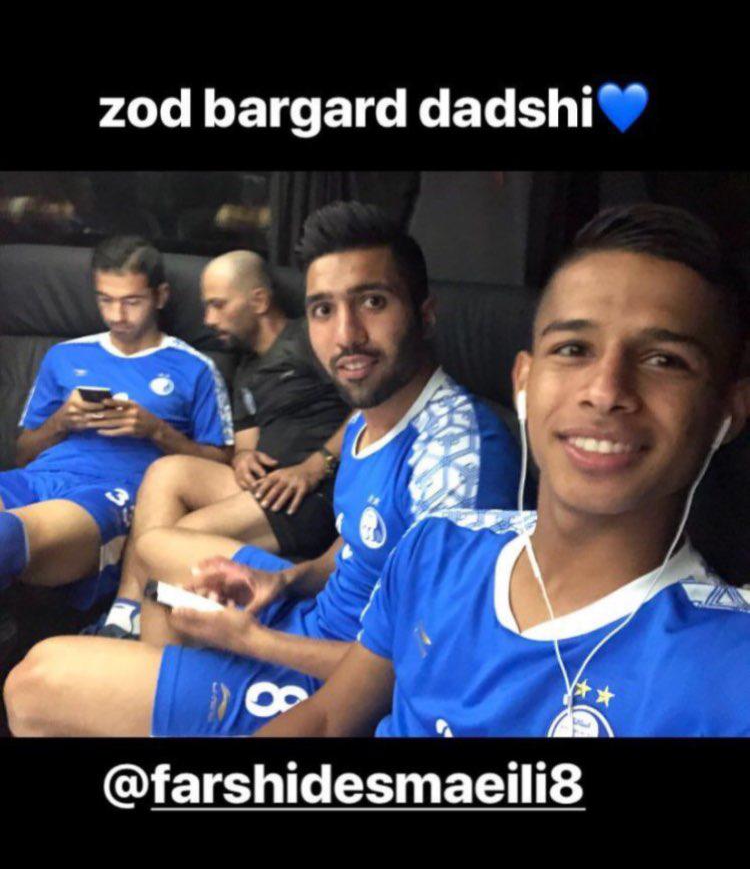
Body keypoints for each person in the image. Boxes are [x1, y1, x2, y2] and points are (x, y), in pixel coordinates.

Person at [4, 201, 521, 736]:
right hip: (316, 618)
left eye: (373, 301)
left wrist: (253, 642)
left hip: (337, 684)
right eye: (323, 309)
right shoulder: (368, 423)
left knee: (32, 683)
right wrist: (284, 579)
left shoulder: (454, 458)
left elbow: (419, 668)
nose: (346, 334)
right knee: (161, 567)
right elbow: (357, 547)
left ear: (425, 314)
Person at [252, 204, 750, 738]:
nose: (605, 391)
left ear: (730, 410)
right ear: (524, 382)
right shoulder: (436, 547)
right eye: (573, 349)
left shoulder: (727, 672)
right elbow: (328, 718)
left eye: (664, 360)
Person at [94, 249, 349, 638]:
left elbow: (368, 408)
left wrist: (315, 465)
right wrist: (243, 458)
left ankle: (154, 651)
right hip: (268, 486)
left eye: (217, 305)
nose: (208, 320)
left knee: (170, 541)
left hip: (312, 490)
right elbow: (245, 444)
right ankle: (126, 613)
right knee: (166, 471)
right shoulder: (246, 369)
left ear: (258, 301)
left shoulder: (311, 338)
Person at [0, 236, 234, 610]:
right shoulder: (64, 356)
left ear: (160, 296)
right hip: (36, 478)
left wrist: (155, 430)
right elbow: (22, 453)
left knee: (6, 536)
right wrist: (61, 421)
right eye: (105, 300)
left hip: (108, 494)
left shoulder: (195, 368)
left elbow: (220, 465)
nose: (116, 315)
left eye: (131, 301)